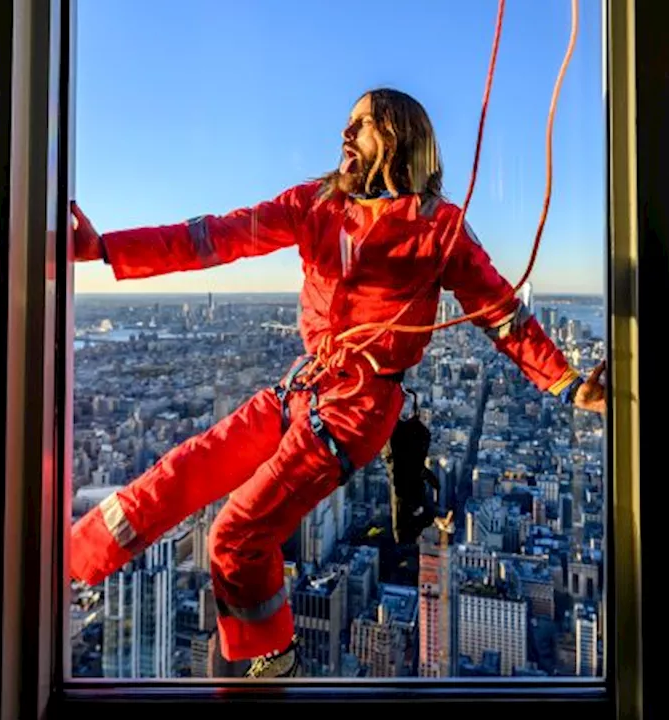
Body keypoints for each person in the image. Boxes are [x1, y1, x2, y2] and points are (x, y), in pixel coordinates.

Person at [68, 88, 607, 678]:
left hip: (360, 405)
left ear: (400, 138)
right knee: (182, 471)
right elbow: (215, 237)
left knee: (236, 534)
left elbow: (501, 313)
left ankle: (270, 660)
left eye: (365, 125)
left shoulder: (438, 229)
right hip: (305, 383)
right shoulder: (317, 205)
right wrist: (102, 250)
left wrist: (568, 383)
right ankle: (69, 560)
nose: (347, 135)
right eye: (348, 124)